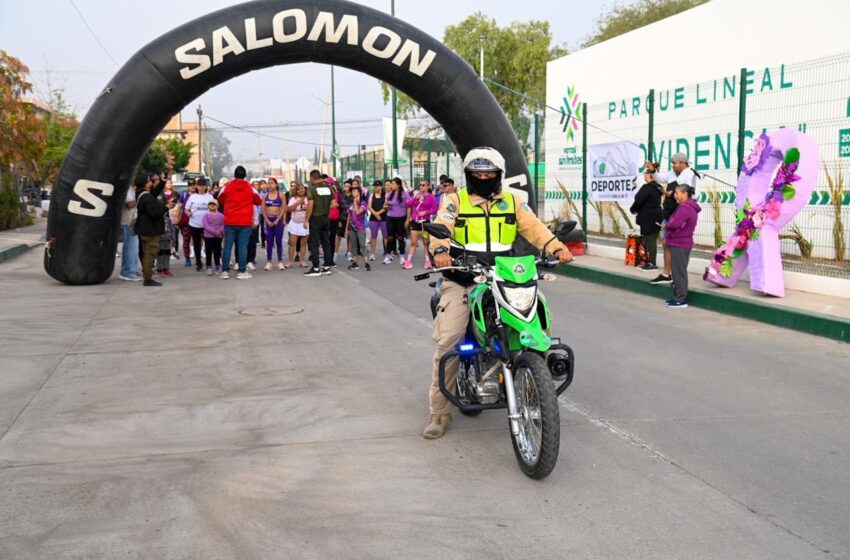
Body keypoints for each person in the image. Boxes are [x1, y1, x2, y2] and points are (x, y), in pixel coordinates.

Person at [423, 147, 574, 439]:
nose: (482, 177)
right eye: (476, 174)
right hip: (464, 277)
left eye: (488, 173)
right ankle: (440, 413)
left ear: (499, 175)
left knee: (538, 320)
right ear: (467, 175)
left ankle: (536, 385)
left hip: (505, 276)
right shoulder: (455, 200)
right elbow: (441, 226)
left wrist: (556, 246)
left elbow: (534, 228)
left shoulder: (513, 202)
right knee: (450, 340)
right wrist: (440, 250)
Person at [650, 152, 701, 285]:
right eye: (672, 163)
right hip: (668, 213)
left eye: (675, 163)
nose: (673, 165)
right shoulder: (672, 174)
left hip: (682, 215)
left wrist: (673, 195)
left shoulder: (692, 175)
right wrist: (653, 171)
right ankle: (667, 274)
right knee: (666, 243)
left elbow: (695, 196)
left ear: (683, 162)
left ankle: (679, 275)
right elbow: (659, 178)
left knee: (681, 246)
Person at [217, 165, 262, 280]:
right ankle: (242, 271)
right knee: (242, 246)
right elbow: (258, 200)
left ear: (235, 175)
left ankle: (225, 271)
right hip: (245, 222)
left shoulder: (227, 186)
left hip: (230, 221)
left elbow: (219, 199)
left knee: (227, 246)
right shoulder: (250, 187)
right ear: (245, 175)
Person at [662, 185, 701, 309]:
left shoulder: (685, 207)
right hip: (681, 242)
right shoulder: (688, 206)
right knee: (678, 270)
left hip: (680, 242)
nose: (675, 196)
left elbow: (675, 223)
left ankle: (681, 299)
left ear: (685, 194)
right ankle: (677, 297)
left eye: (677, 193)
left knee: (679, 272)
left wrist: (667, 226)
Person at [134, 174, 168, 287]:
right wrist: (165, 207)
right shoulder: (147, 197)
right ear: (145, 184)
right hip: (151, 230)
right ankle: (148, 278)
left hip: (143, 229)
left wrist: (162, 182)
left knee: (145, 253)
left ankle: (147, 275)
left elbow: (154, 193)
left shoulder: (141, 194)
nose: (151, 183)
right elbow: (154, 213)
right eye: (149, 181)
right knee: (150, 254)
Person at [629, 162, 664, 271]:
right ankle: (651, 262)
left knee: (650, 240)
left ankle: (651, 264)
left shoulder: (646, 187)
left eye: (645, 174)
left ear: (649, 175)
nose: (644, 176)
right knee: (653, 239)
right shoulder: (659, 187)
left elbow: (638, 201)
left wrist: (632, 210)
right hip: (657, 215)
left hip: (648, 217)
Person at [304, 169, 334, 277]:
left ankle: (316, 268)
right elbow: (334, 204)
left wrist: (306, 219)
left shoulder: (311, 189)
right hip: (326, 218)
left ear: (312, 178)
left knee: (314, 243)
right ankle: (326, 267)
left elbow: (310, 205)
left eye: (310, 178)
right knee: (326, 242)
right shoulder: (328, 188)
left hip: (315, 218)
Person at [403, 180, 438, 269]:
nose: (421, 187)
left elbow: (435, 210)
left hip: (425, 223)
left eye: (423, 185)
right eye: (420, 185)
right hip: (415, 222)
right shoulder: (417, 195)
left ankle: (428, 261)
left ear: (428, 186)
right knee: (413, 243)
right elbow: (407, 204)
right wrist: (415, 198)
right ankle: (408, 261)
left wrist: (426, 212)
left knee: (425, 243)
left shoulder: (431, 197)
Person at [184, 178, 214, 272]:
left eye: (203, 185)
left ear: (206, 186)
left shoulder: (209, 197)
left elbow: (214, 208)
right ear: (197, 186)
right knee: (197, 244)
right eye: (199, 185)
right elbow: (186, 209)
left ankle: (209, 263)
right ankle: (199, 262)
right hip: (194, 224)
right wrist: (188, 213)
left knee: (209, 245)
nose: (201, 187)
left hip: (207, 225)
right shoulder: (193, 197)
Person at [118, 180, 141, 281]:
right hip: (128, 221)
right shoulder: (126, 188)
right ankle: (129, 272)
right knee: (131, 247)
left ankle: (127, 270)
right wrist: (140, 199)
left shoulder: (129, 188)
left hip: (129, 221)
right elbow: (129, 204)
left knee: (130, 246)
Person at [384, 177, 409, 264]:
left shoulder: (404, 194)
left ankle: (402, 255)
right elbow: (384, 206)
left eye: (393, 184)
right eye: (391, 183)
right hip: (390, 218)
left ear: (398, 185)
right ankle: (388, 255)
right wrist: (387, 206)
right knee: (390, 237)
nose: (391, 185)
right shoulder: (388, 194)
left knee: (400, 237)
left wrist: (408, 219)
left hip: (401, 218)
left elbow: (409, 207)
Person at [262, 178, 286, 270]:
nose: (269, 185)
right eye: (268, 183)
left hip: (278, 221)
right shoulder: (265, 196)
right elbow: (263, 210)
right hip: (268, 220)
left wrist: (278, 220)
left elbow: (284, 208)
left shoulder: (281, 195)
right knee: (269, 242)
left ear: (276, 185)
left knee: (279, 242)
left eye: (271, 183)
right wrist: (267, 220)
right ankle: (269, 262)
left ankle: (280, 262)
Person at [347, 184, 370, 271]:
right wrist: (347, 228)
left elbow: (358, 212)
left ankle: (367, 263)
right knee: (354, 246)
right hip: (351, 227)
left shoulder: (363, 203)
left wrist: (356, 204)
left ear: (359, 192)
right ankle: (355, 263)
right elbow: (349, 215)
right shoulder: (351, 203)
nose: (353, 192)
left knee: (362, 245)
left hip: (360, 227)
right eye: (352, 191)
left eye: (354, 191)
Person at [286, 183, 310, 268]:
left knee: (303, 244)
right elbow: (288, 209)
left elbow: (311, 210)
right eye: (299, 189)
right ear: (296, 191)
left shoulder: (308, 199)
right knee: (292, 243)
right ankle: (290, 261)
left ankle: (302, 261)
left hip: (304, 223)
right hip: (294, 223)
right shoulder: (293, 199)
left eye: (302, 188)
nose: (301, 190)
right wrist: (298, 203)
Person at [175, 180, 197, 266]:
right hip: (186, 222)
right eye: (190, 185)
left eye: (193, 185)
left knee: (197, 241)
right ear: (188, 186)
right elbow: (179, 207)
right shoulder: (184, 195)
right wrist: (177, 219)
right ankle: (187, 258)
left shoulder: (198, 195)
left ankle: (198, 258)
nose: (192, 186)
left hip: (197, 222)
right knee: (186, 241)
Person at [367, 180, 388, 261]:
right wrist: (375, 214)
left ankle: (387, 253)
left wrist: (379, 213)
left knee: (386, 236)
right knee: (373, 236)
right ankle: (372, 254)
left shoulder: (385, 195)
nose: (376, 187)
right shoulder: (372, 195)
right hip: (373, 219)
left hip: (384, 218)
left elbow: (385, 206)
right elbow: (369, 206)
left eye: (378, 186)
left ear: (381, 186)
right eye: (375, 186)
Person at [203, 199, 224, 275]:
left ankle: (218, 265)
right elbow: (206, 225)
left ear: (217, 206)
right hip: (208, 236)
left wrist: (220, 231)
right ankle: (209, 267)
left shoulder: (221, 215)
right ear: (208, 206)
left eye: (214, 204)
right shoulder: (206, 215)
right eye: (210, 204)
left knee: (217, 252)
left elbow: (223, 224)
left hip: (218, 237)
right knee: (208, 252)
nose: (212, 205)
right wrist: (215, 232)